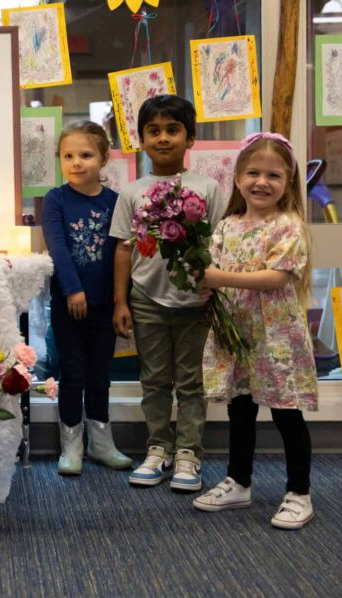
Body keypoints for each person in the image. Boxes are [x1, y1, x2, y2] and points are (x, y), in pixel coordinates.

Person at [192, 132, 319, 530]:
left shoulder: (288, 226)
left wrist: (217, 276)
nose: (262, 182)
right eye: (253, 172)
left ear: (288, 182)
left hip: (276, 335)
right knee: (240, 409)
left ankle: (299, 492)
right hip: (238, 333)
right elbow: (211, 274)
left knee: (286, 414)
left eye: (274, 175)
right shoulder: (227, 225)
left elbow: (277, 278)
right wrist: (202, 285)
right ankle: (239, 481)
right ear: (237, 177)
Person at [110, 95, 226, 492]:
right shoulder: (132, 192)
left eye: (172, 130)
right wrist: (120, 301)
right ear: (141, 139)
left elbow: (221, 244)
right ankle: (158, 447)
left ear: (190, 138)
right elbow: (123, 248)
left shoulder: (208, 188)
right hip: (146, 298)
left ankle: (189, 453)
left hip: (197, 300)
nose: (163, 138)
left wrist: (216, 286)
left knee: (192, 382)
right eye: (154, 131)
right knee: (154, 380)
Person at [41, 120, 132, 476]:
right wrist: (72, 288)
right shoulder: (56, 199)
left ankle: (102, 442)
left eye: (85, 154)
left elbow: (122, 252)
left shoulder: (116, 202)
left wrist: (121, 301)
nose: (76, 162)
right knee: (73, 372)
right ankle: (71, 445)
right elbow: (58, 247)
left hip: (105, 304)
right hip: (69, 305)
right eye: (68, 156)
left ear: (104, 158)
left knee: (100, 373)